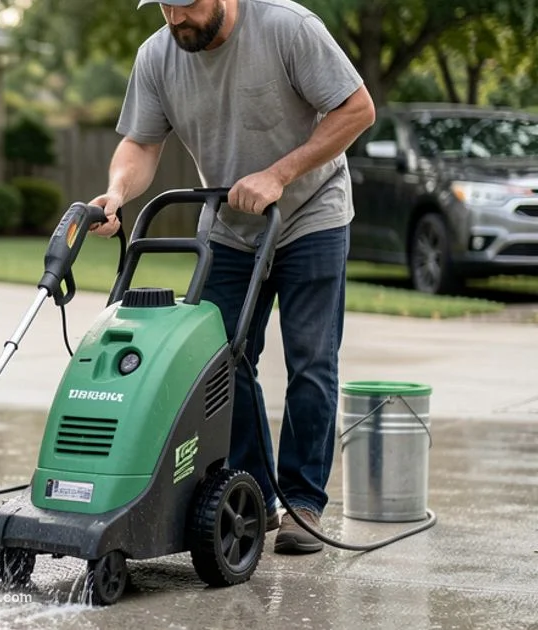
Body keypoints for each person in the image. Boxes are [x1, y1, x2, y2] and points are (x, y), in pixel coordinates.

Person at [88, 0, 375, 554]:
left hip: (312, 212)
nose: (176, 20)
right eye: (165, 7)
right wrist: (118, 193)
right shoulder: (157, 56)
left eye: (187, 4)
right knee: (222, 360)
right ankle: (257, 496)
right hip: (229, 223)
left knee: (311, 360)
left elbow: (357, 109)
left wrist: (278, 173)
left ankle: (303, 503)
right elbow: (143, 143)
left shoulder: (287, 27)